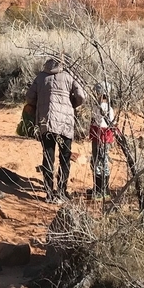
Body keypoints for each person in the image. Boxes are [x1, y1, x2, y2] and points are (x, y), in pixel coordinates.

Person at [25, 56, 86, 202]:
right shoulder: (69, 75)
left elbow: (29, 98)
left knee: (48, 157)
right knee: (65, 157)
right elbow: (81, 97)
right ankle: (62, 191)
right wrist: (71, 105)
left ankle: (49, 192)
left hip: (46, 123)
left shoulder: (40, 77)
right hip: (65, 123)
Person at [88, 82, 116, 199]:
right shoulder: (110, 108)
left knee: (98, 161)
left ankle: (100, 189)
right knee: (102, 161)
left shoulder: (98, 108)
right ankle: (102, 188)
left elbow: (94, 120)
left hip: (99, 136)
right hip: (105, 137)